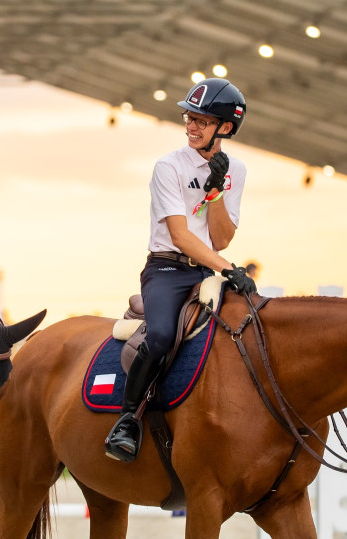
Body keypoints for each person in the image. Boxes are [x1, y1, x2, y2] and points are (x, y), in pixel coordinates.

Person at [105, 78, 257, 462]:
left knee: (248, 326)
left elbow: (220, 238)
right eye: (190, 117)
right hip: (167, 271)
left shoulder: (235, 169)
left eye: (202, 121)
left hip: (208, 270)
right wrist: (230, 270)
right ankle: (127, 420)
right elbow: (181, 235)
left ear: (225, 127)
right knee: (159, 336)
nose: (191, 126)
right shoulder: (168, 167)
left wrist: (218, 190)